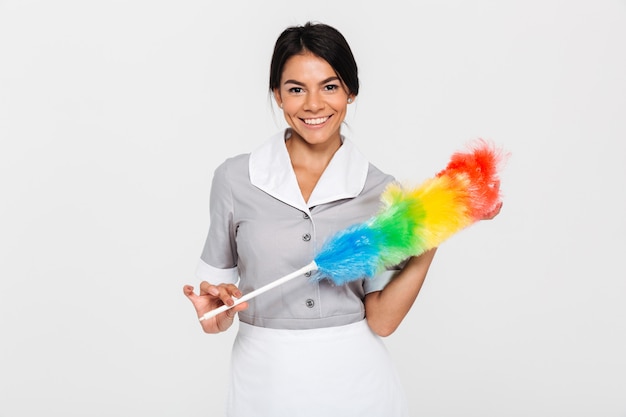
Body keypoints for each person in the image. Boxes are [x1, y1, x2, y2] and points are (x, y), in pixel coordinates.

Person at [183, 21, 501, 417]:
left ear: (350, 91)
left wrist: (436, 226)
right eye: (296, 89)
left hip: (356, 385)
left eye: (329, 86)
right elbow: (214, 304)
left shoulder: (380, 191)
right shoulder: (235, 179)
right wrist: (215, 316)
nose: (313, 104)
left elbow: (382, 321)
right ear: (277, 96)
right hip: (263, 382)